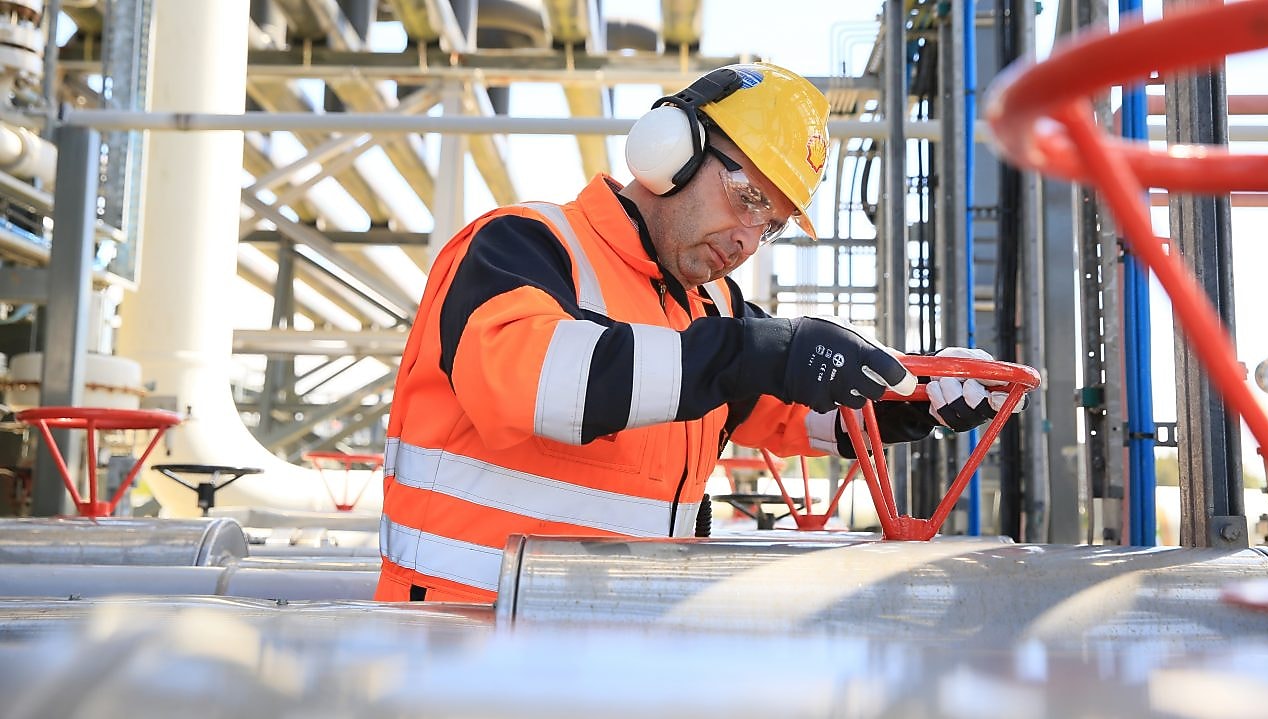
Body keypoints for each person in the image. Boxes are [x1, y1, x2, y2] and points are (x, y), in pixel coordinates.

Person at [375, 62, 1019, 603]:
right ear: (670, 150)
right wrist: (754, 352)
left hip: (614, 654)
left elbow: (792, 402)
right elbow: (533, 383)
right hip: (455, 647)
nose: (747, 241)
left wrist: (919, 397)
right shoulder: (525, 245)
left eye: (771, 226)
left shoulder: (710, 309)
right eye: (748, 198)